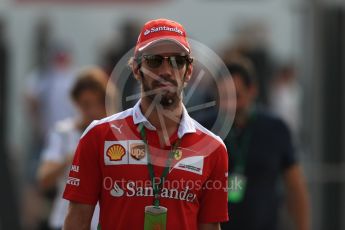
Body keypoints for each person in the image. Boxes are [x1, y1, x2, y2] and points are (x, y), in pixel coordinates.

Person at [63, 18, 229, 230]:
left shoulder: (213, 148)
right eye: (153, 60)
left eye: (177, 61)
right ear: (136, 69)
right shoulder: (98, 135)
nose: (166, 70)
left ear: (188, 71)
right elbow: (76, 221)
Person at [218, 58, 310, 230]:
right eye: (225, 97)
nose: (230, 105)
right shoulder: (204, 129)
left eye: (237, 96)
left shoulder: (275, 129)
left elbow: (295, 187)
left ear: (252, 90)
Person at [37, 67, 113, 230]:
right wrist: (78, 156)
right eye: (86, 104)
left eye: (98, 103)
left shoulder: (116, 134)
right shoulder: (63, 132)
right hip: (64, 221)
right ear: (76, 103)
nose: (93, 110)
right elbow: (44, 179)